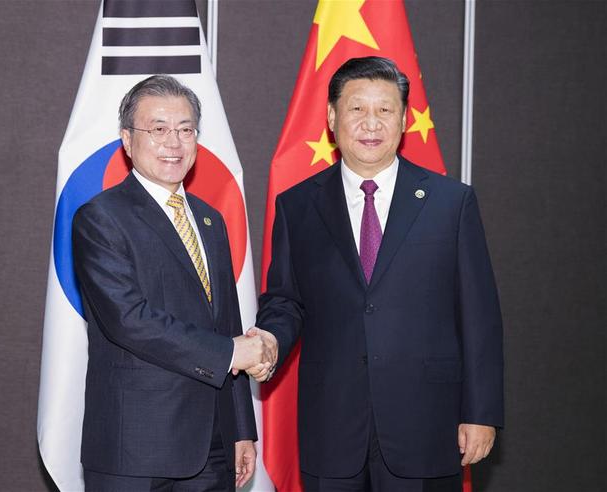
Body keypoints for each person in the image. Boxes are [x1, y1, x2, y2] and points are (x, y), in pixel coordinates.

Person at [256, 57, 503, 491]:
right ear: (332, 117)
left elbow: (479, 316)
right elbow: (285, 300)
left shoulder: (451, 203)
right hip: (332, 426)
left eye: (385, 110)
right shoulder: (296, 206)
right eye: (356, 109)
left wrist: (480, 411)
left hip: (426, 425)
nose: (371, 123)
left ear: (404, 119)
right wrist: (270, 339)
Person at [72, 75, 275, 492]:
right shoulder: (100, 218)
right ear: (127, 139)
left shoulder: (210, 220)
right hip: (135, 450)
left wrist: (241, 429)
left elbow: (226, 324)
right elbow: (129, 320)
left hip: (212, 448)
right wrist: (233, 351)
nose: (174, 142)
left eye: (186, 130)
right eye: (158, 129)